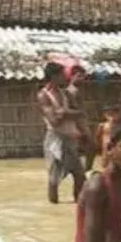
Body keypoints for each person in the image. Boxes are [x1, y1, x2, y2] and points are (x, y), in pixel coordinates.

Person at [38, 61, 86, 203]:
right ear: (53, 76)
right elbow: (54, 121)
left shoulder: (65, 93)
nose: (65, 77)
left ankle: (79, 204)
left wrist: (63, 113)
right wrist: (65, 113)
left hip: (70, 138)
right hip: (55, 139)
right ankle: (54, 205)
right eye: (61, 75)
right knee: (54, 179)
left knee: (79, 175)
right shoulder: (43, 95)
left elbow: (80, 113)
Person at [93, 104, 121, 168]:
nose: (112, 117)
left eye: (114, 114)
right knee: (105, 161)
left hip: (115, 145)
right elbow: (97, 136)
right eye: (109, 114)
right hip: (105, 145)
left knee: (115, 160)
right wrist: (97, 145)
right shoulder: (102, 125)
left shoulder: (119, 125)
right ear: (105, 115)